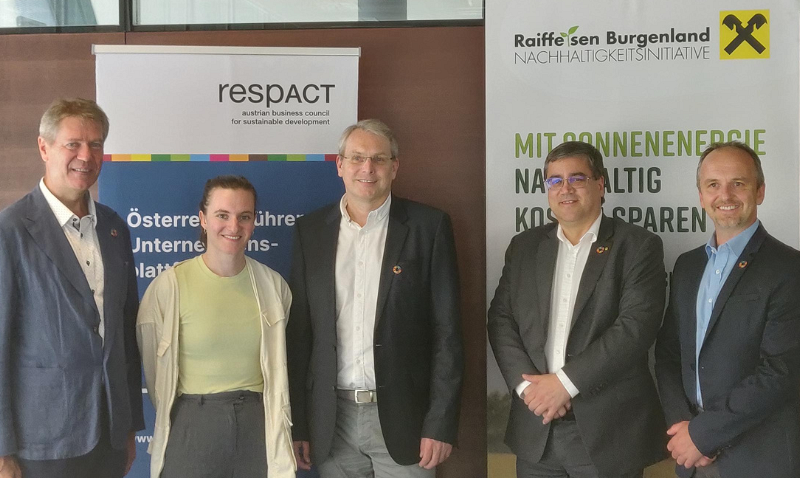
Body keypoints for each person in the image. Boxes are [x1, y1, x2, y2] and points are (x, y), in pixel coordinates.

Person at [286, 119, 463, 477]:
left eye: (379, 159)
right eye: (357, 158)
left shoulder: (428, 227)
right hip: (331, 422)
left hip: (405, 420)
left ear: (394, 167)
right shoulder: (310, 231)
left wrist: (440, 423)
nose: (367, 168)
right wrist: (300, 424)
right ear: (340, 165)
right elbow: (300, 335)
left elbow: (447, 333)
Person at [488, 141, 667, 478]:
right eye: (555, 180)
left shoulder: (637, 246)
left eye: (577, 178)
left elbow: (636, 327)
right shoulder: (524, 247)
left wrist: (564, 384)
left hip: (606, 433)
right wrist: (530, 391)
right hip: (537, 428)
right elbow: (501, 320)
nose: (565, 188)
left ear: (600, 184)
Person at [0, 98, 144, 478]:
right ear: (44, 147)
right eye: (73, 144)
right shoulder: (10, 231)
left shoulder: (114, 228)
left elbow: (124, 334)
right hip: (42, 443)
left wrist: (129, 425)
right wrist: (1, 450)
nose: (86, 156)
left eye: (95, 144)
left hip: (109, 437)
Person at [655, 141, 800, 478]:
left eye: (738, 183)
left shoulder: (789, 268)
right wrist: (683, 428)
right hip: (691, 458)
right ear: (701, 196)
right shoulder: (688, 267)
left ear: (760, 191)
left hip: (759, 459)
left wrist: (703, 435)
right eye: (713, 185)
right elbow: (669, 354)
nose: (725, 195)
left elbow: (782, 370)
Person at [136, 176, 296, 478]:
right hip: (192, 426)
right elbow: (155, 372)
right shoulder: (168, 287)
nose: (233, 226)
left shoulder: (274, 287)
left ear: (254, 222)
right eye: (222, 215)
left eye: (244, 216)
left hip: (258, 427)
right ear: (203, 219)